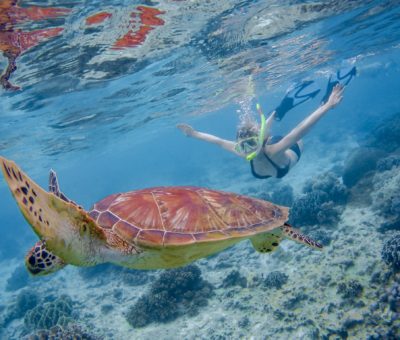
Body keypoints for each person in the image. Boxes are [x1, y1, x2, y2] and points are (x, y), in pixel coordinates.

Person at [177, 84, 344, 179]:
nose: (248, 149)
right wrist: (194, 134)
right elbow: (218, 141)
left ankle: (281, 113)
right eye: (243, 145)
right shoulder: (242, 151)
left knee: (277, 137)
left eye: (250, 143)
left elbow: (300, 131)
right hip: (265, 141)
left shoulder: (274, 151)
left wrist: (328, 106)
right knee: (262, 132)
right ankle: (276, 113)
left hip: (292, 148)